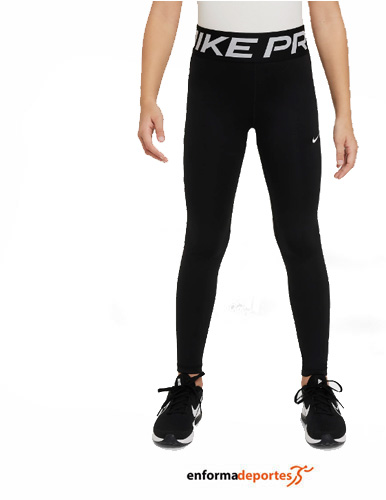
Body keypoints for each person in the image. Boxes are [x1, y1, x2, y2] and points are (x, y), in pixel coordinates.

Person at [138, 1, 358, 449]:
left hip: (288, 80)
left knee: (300, 236)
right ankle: (188, 385)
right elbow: (164, 11)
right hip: (214, 82)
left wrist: (344, 113)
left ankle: (316, 386)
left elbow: (327, 15)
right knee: (205, 237)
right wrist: (147, 97)